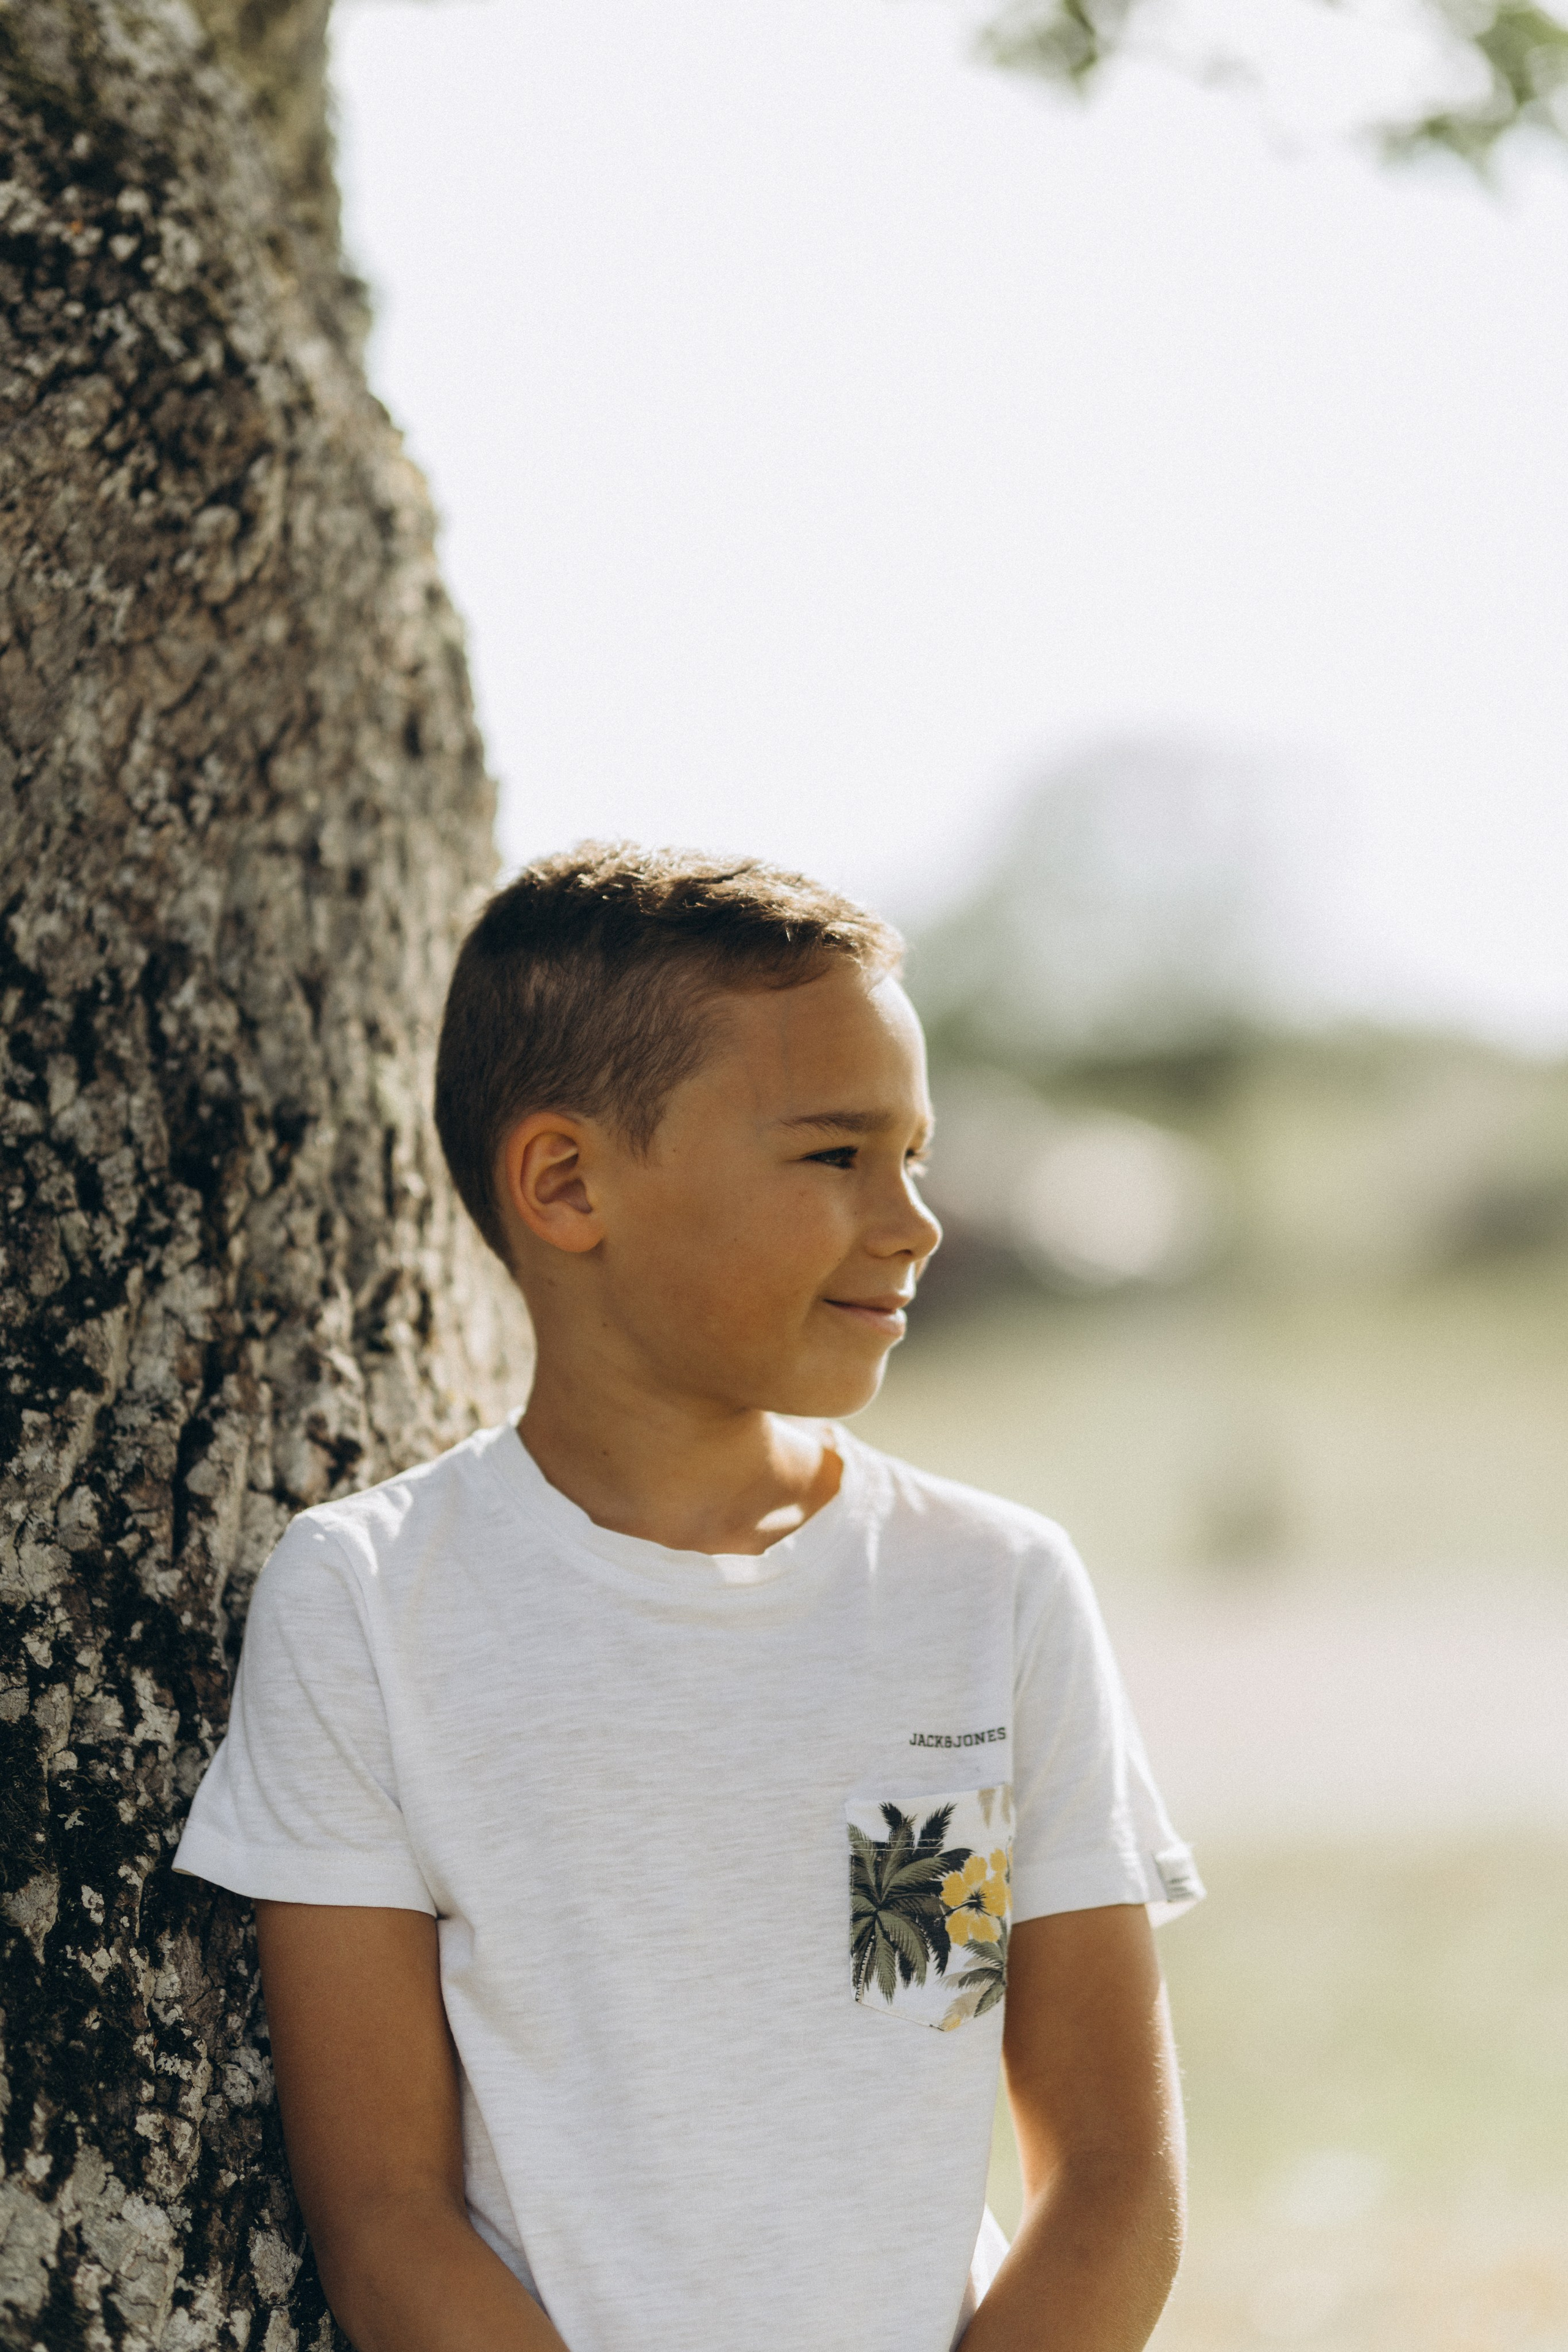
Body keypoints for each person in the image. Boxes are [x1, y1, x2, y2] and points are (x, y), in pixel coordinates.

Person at [175, 843, 1203, 2352]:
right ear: (568, 1183)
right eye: (834, 1155)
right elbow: (385, 2219)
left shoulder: (994, 1588)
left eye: (911, 1153)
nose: (912, 1219)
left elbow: (1115, 2182)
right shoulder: (368, 1605)